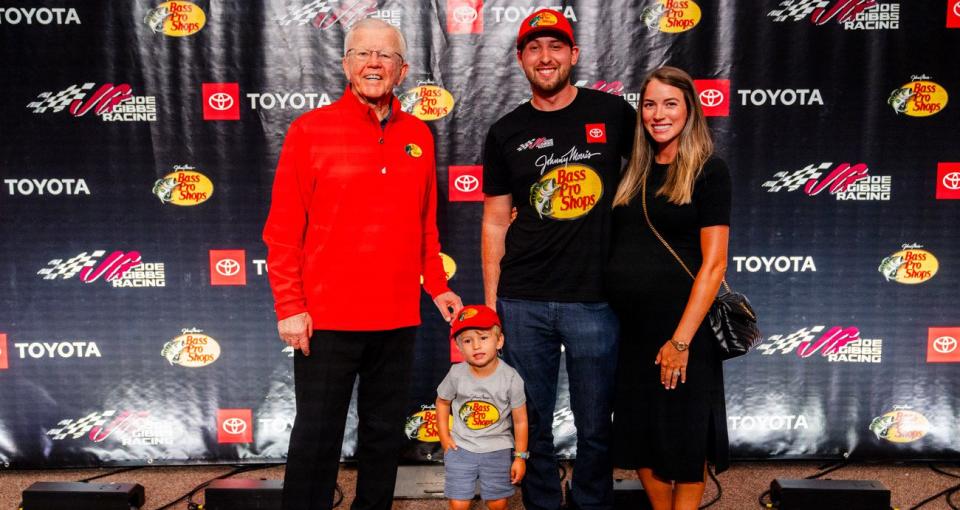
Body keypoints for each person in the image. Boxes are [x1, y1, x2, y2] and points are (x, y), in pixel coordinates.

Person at [262, 17, 463, 510]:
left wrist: (437, 286)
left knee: (382, 437)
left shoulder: (418, 134)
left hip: (397, 318)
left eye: (385, 56)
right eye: (363, 54)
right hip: (327, 319)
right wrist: (290, 306)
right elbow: (283, 231)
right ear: (346, 64)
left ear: (403, 70)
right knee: (316, 439)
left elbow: (425, 225)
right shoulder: (309, 130)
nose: (374, 63)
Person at [481, 8, 636, 510]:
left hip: (596, 299)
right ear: (521, 59)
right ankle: (544, 503)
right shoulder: (506, 131)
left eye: (555, 47)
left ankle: (591, 502)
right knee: (533, 422)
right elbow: (494, 222)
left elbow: (652, 187)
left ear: (574, 54)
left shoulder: (614, 115)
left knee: (596, 425)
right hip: (523, 299)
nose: (545, 57)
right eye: (534, 49)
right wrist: (490, 306)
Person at [605, 66, 731, 510]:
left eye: (670, 103)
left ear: (690, 110)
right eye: (650, 104)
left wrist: (681, 340)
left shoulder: (708, 172)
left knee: (683, 441)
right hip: (632, 332)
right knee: (640, 437)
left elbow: (714, 265)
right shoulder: (631, 173)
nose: (658, 114)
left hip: (682, 330)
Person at [436, 305, 529, 510]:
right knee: (458, 504)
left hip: (498, 448)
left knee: (497, 504)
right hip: (461, 447)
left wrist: (520, 457)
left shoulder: (511, 377)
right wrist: (444, 437)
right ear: (459, 347)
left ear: (499, 341)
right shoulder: (456, 374)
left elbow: (521, 420)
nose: (476, 346)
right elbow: (442, 402)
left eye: (484, 338)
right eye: (468, 341)